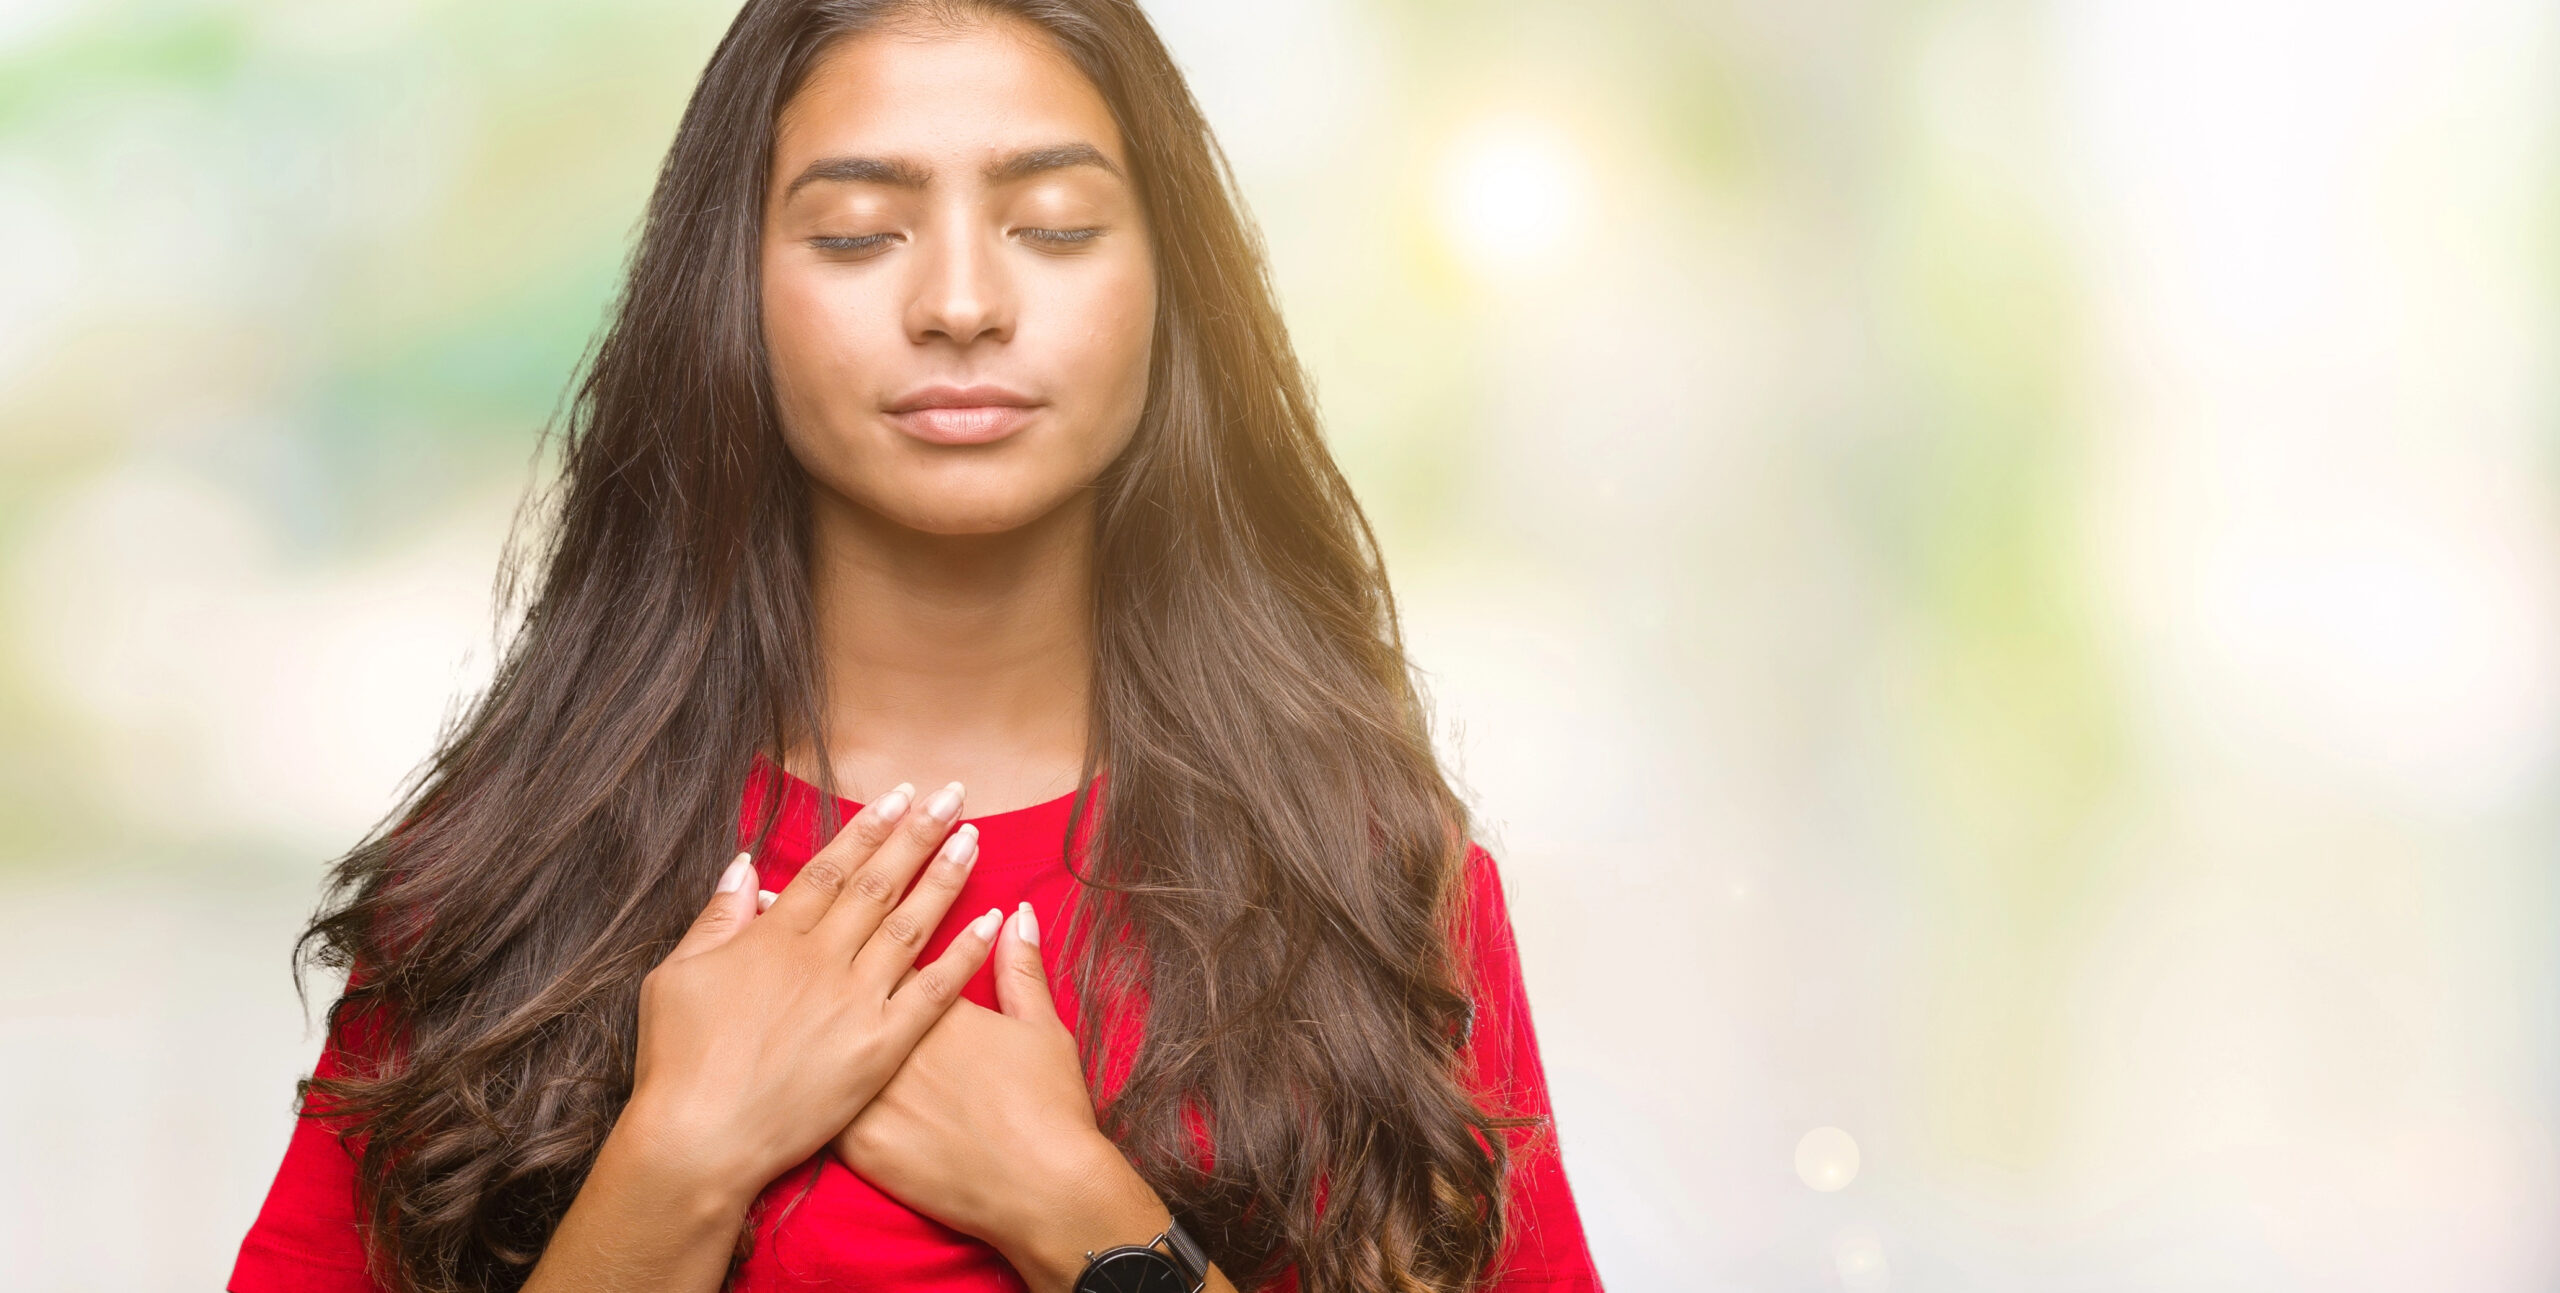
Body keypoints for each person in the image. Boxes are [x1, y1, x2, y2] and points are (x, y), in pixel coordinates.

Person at [228, 2, 1606, 1291]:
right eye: (857, 233)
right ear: (737, 296)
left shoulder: (1368, 881)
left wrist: (1085, 1215)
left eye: (1055, 228)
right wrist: (678, 1160)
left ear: (1171, 294)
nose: (960, 301)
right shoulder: (508, 874)